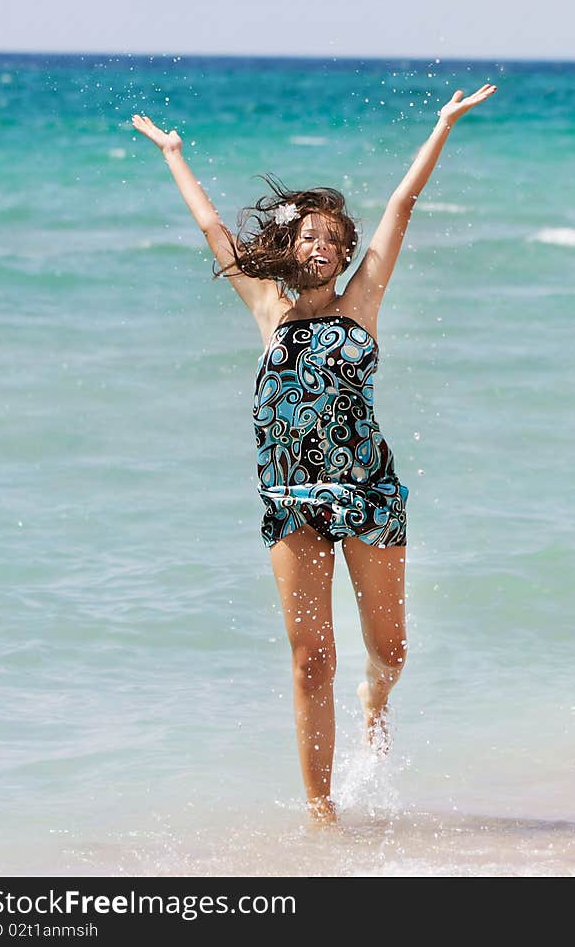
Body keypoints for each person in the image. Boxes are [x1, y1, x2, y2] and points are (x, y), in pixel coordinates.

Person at [131, 82, 497, 826]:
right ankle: (321, 812)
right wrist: (174, 154)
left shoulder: (363, 305)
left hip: (368, 494)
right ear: (291, 248)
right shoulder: (267, 309)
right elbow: (211, 230)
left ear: (344, 252)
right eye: (310, 237)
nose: (322, 247)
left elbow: (400, 208)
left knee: (389, 649)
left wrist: (443, 127)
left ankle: (378, 694)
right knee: (309, 660)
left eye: (334, 239)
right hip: (291, 500)